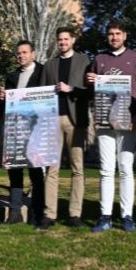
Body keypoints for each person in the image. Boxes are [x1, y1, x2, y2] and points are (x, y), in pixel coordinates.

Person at [86, 20, 136, 233]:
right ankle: (105, 216)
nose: (114, 37)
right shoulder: (99, 59)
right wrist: (90, 80)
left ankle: (127, 215)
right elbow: (90, 88)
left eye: (117, 33)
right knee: (106, 170)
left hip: (127, 122)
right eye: (110, 34)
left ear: (125, 35)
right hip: (104, 122)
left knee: (126, 170)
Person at [39, 26, 91, 230]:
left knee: (77, 169)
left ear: (73, 40)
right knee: (52, 170)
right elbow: (42, 93)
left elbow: (89, 92)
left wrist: (71, 90)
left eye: (66, 39)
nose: (62, 42)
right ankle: (49, 214)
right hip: (52, 120)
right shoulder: (49, 65)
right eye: (59, 39)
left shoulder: (84, 61)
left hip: (74, 120)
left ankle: (75, 214)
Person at [1, 40, 45, 225]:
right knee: (15, 171)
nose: (21, 56)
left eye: (25, 52)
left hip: (36, 128)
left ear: (32, 54)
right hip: (15, 128)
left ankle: (38, 213)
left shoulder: (44, 72)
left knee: (36, 172)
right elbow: (9, 105)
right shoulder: (11, 77)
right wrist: (3, 98)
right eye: (18, 53)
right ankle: (15, 211)